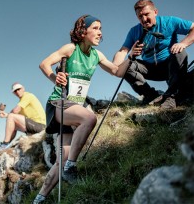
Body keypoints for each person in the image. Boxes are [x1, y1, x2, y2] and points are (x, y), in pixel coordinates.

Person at [33, 14, 133, 204]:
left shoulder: (97, 55)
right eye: (95, 28)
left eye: (100, 28)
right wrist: (55, 78)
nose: (100, 32)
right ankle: (71, 167)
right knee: (89, 118)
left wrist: (132, 56)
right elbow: (44, 64)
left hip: (74, 108)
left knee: (60, 160)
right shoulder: (71, 49)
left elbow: (116, 71)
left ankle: (39, 199)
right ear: (82, 31)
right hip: (59, 103)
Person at [113, 0, 194, 109]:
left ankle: (172, 96)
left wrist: (183, 43)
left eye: (146, 14)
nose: (144, 19)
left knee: (179, 52)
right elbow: (122, 51)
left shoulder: (170, 21)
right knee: (127, 65)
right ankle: (150, 96)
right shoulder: (134, 31)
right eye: (140, 16)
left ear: (155, 12)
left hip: (171, 67)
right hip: (150, 69)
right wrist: (116, 67)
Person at [0, 83, 46, 150]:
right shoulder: (22, 103)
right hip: (33, 126)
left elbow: (15, 111)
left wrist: (8, 115)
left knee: (11, 117)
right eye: (15, 91)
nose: (17, 92)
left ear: (23, 88)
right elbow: (16, 116)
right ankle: (6, 145)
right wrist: (6, 115)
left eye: (18, 89)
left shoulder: (28, 96)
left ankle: (5, 144)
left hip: (40, 126)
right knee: (13, 123)